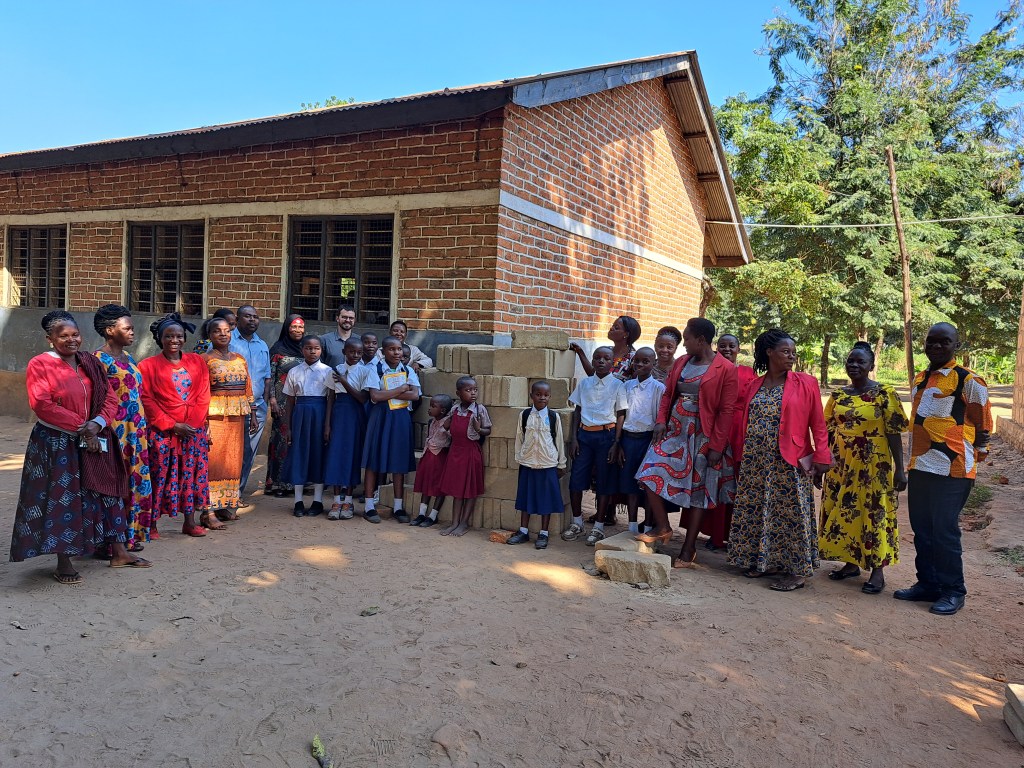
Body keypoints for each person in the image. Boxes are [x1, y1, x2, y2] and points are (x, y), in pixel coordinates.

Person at [11, 311, 151, 583]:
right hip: (57, 441)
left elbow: (109, 398)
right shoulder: (41, 364)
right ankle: (64, 561)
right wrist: (82, 426)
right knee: (64, 498)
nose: (71, 340)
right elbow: (42, 403)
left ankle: (119, 552)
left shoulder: (89, 362)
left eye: (75, 334)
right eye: (63, 336)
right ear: (50, 339)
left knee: (107, 490)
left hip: (95, 436)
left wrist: (96, 424)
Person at [895, 323, 992, 615]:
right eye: (931, 342)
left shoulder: (969, 380)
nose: (936, 347)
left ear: (956, 345)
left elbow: (984, 426)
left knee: (944, 531)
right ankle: (928, 584)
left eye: (944, 342)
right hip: (921, 464)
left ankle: (953, 591)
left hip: (954, 469)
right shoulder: (921, 378)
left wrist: (974, 459)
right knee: (922, 530)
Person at [726, 329, 830, 592]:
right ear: (769, 352)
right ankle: (766, 562)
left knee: (792, 514)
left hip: (789, 460)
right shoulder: (754, 385)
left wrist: (822, 457)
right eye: (786, 351)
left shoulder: (805, 383)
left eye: (794, 352)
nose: (791, 356)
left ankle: (797, 571)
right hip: (755, 460)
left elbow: (818, 424)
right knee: (758, 510)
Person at [635, 319, 737, 566]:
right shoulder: (682, 362)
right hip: (675, 430)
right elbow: (668, 394)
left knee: (698, 491)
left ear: (701, 340)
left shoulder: (725, 368)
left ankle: (688, 549)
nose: (685, 344)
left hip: (704, 435)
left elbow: (726, 411)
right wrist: (661, 420)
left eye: (687, 339)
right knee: (648, 473)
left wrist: (717, 447)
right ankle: (663, 526)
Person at [819, 342, 909, 595]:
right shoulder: (838, 396)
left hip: (874, 464)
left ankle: (878, 571)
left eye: (861, 362)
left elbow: (893, 433)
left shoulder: (884, 393)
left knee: (874, 512)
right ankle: (850, 563)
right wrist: (821, 463)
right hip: (841, 464)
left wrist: (900, 469)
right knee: (844, 510)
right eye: (851, 361)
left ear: (871, 366)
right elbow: (827, 430)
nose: (855, 365)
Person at [140, 314, 214, 536]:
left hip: (192, 431)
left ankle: (189, 522)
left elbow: (204, 393)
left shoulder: (197, 361)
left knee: (190, 476)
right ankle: (152, 524)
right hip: (163, 433)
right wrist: (172, 425)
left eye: (179, 336)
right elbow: (147, 399)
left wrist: (191, 425)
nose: (175, 340)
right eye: (169, 336)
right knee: (159, 476)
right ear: (160, 338)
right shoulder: (147, 366)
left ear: (185, 338)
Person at [94, 304, 153, 550]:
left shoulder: (128, 357)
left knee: (133, 482)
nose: (132, 332)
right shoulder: (98, 360)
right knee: (114, 484)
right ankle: (109, 543)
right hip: (115, 431)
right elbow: (97, 399)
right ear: (110, 330)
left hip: (135, 432)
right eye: (127, 328)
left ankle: (128, 536)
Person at [562, 347, 627, 545]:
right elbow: (577, 411)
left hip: (606, 437)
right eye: (597, 358)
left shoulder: (618, 385)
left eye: (606, 358)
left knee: (603, 481)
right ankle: (577, 522)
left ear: (612, 363)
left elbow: (621, 415)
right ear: (592, 361)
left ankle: (599, 526)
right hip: (584, 437)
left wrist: (616, 443)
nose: (601, 361)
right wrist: (574, 438)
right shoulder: (585, 383)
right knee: (576, 479)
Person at [698, 333, 758, 550]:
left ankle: (735, 536)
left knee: (736, 482)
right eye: (722, 345)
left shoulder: (748, 373)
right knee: (713, 479)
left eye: (731, 346)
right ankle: (714, 534)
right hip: (714, 427)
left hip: (740, 431)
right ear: (716, 348)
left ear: (738, 349)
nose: (727, 349)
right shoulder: (710, 370)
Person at [202, 316, 257, 522]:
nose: (223, 334)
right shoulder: (204, 359)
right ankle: (208, 511)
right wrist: (203, 421)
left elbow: (247, 386)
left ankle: (225, 505)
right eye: (217, 331)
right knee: (213, 462)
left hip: (237, 417)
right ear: (209, 335)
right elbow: (201, 390)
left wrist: (253, 413)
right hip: (214, 416)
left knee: (233, 460)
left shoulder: (239, 358)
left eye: (227, 330)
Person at [362, 336, 420, 524]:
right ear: (383, 351)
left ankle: (398, 506)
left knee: (399, 459)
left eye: (399, 349)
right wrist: (401, 389)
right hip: (380, 416)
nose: (396, 353)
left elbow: (415, 395)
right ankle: (369, 506)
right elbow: (375, 396)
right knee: (374, 459)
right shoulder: (375, 369)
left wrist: (390, 393)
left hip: (401, 417)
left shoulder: (408, 370)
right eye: (392, 349)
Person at [507, 381, 567, 549]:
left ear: (550, 397)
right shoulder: (525, 415)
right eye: (538, 394)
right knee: (525, 497)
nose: (542, 398)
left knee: (546, 500)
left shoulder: (553, 417)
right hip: (528, 463)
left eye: (546, 395)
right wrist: (519, 457)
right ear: (531, 396)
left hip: (547, 464)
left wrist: (561, 463)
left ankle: (543, 533)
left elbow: (559, 440)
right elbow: (519, 436)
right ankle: (523, 531)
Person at [615, 348, 665, 535]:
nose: (640, 365)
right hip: (628, 439)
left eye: (645, 361)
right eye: (637, 361)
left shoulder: (659, 388)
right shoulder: (627, 386)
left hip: (649, 441)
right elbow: (621, 414)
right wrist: (618, 442)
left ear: (654, 364)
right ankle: (632, 526)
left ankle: (649, 526)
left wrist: (656, 445)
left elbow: (660, 418)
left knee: (648, 484)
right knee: (630, 485)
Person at [282, 336, 333, 517]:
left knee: (318, 454)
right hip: (300, 415)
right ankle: (298, 501)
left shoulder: (328, 371)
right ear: (302, 349)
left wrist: (327, 425)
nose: (313, 351)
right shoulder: (294, 371)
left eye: (316, 348)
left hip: (320, 414)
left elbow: (331, 399)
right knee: (299, 453)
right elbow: (290, 400)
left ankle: (317, 501)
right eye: (308, 348)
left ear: (321, 350)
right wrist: (288, 427)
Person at [324, 337, 372, 520]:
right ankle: (336, 501)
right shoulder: (335, 370)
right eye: (351, 351)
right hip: (339, 414)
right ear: (344, 351)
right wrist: (327, 424)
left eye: (359, 352)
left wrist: (344, 382)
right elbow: (330, 398)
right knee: (336, 455)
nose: (355, 355)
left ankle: (349, 501)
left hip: (356, 415)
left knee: (352, 456)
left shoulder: (365, 371)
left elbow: (362, 398)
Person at [438, 376, 492, 537]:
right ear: (458, 393)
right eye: (468, 390)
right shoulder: (455, 409)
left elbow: (487, 430)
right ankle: (454, 522)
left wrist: (479, 429)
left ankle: (464, 523)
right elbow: (448, 427)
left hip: (471, 452)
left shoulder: (479, 410)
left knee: (469, 489)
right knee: (457, 489)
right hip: (455, 452)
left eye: (475, 390)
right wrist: (446, 425)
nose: (473, 393)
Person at [230, 305, 271, 501]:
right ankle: (223, 491)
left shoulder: (262, 345)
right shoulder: (227, 341)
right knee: (230, 450)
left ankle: (237, 492)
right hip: (232, 406)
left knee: (249, 452)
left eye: (255, 317)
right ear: (237, 319)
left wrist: (265, 402)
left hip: (258, 407)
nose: (252, 320)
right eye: (247, 316)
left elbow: (267, 377)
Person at [266, 315, 306, 497]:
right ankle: (278, 482)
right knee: (281, 441)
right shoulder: (278, 349)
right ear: (287, 328)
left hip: (301, 401)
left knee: (299, 440)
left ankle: (296, 481)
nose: (297, 330)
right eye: (294, 327)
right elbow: (270, 376)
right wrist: (272, 400)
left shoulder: (306, 348)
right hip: (281, 402)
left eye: (301, 327)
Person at [411, 394, 452, 527]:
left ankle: (433, 515)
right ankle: (421, 513)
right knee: (426, 485)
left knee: (439, 487)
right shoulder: (432, 421)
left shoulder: (448, 423)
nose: (429, 409)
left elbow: (450, 438)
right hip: (428, 455)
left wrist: (446, 428)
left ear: (443, 410)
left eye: (433, 406)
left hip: (440, 457)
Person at [570, 315, 642, 380]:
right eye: (613, 325)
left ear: (626, 334)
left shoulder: (633, 357)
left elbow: (636, 383)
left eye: (616, 328)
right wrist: (580, 352)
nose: (611, 328)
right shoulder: (605, 351)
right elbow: (593, 374)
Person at [319, 305, 357, 369]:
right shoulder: (325, 340)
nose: (348, 320)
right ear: (337, 318)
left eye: (351, 318)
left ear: (354, 320)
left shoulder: (359, 340)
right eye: (344, 317)